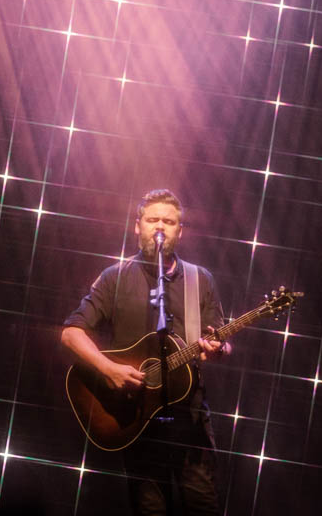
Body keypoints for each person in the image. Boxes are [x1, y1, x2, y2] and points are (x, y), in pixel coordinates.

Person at [61, 188, 229, 515]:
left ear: (180, 231)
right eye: (152, 220)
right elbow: (71, 333)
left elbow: (217, 339)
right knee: (149, 509)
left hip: (190, 416)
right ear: (137, 226)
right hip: (136, 416)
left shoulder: (200, 279)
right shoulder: (115, 277)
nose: (160, 227)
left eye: (169, 221)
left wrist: (219, 348)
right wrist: (107, 369)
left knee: (203, 506)